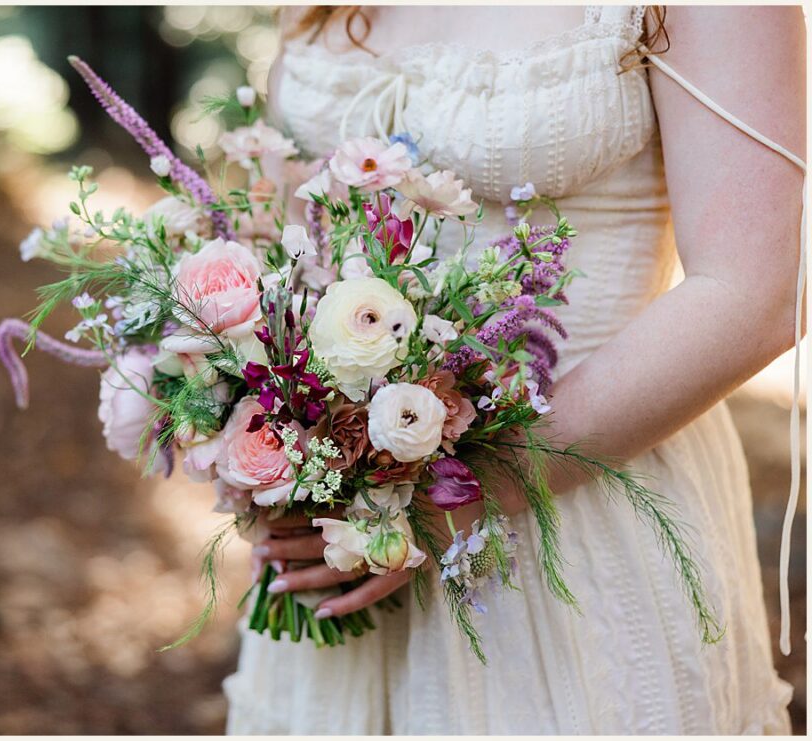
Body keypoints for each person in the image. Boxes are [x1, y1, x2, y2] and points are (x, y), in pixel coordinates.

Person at [224, 5, 802, 733]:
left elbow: (760, 288)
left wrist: (434, 509)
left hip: (582, 512)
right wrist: (256, 414)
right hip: (338, 550)